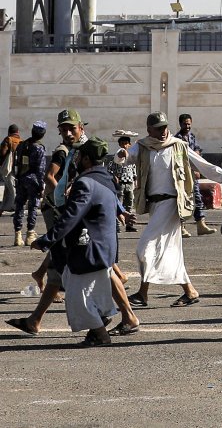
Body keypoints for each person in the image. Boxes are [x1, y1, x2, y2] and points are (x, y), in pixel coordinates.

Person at [127, 110, 222, 308]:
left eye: (165, 127)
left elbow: (202, 165)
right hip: (154, 205)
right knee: (168, 250)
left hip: (172, 205)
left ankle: (143, 293)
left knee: (145, 247)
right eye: (158, 128)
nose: (163, 132)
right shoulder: (143, 146)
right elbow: (126, 158)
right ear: (149, 130)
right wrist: (120, 156)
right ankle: (188, 291)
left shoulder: (178, 146)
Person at [29, 138, 120, 346]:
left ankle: (101, 334)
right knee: (88, 288)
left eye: (78, 156)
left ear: (86, 159)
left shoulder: (84, 183)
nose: (76, 159)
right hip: (104, 247)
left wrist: (46, 240)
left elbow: (71, 217)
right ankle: (99, 326)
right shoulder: (106, 178)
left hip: (89, 248)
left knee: (77, 295)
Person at [177, 113, 215, 234]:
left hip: (194, 175)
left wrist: (198, 168)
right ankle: (181, 227)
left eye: (189, 124)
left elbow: (197, 150)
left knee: (198, 198)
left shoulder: (192, 137)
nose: (187, 126)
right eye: (185, 124)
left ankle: (201, 225)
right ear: (180, 124)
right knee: (183, 200)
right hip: (182, 175)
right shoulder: (176, 139)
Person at [11, 121, 47, 247]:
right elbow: (41, 169)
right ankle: (30, 234)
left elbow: (16, 162)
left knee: (19, 206)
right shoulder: (39, 147)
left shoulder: (22, 144)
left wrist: (17, 177)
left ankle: (17, 234)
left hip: (21, 178)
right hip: (33, 181)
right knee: (32, 207)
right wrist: (41, 184)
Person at [107, 131, 138, 233]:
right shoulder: (117, 156)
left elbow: (134, 170)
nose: (125, 145)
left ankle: (129, 225)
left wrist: (135, 180)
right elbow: (111, 169)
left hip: (129, 182)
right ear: (119, 144)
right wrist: (114, 177)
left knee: (129, 204)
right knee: (118, 204)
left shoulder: (131, 157)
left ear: (129, 144)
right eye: (122, 143)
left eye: (126, 143)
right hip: (120, 183)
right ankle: (117, 226)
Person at [0, 123, 19, 218]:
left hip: (8, 169)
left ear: (9, 131)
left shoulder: (8, 140)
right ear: (17, 132)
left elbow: (2, 153)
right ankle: (2, 209)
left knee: (13, 190)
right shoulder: (21, 141)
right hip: (18, 170)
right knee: (8, 190)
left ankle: (18, 210)